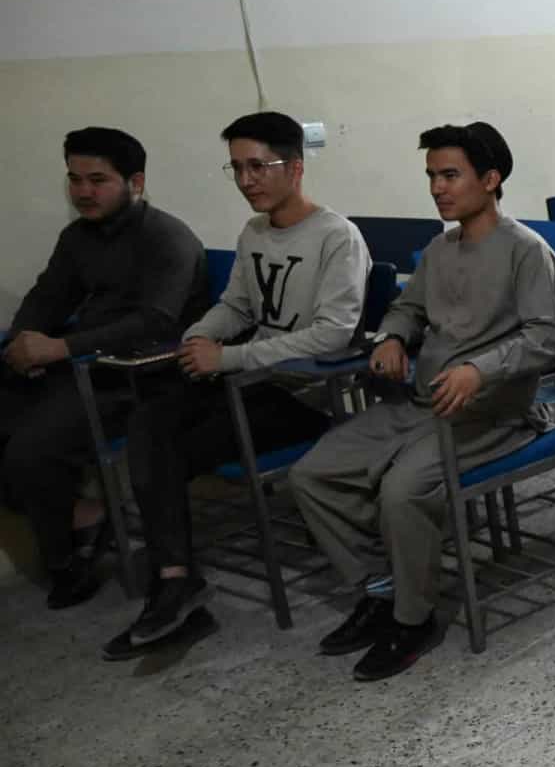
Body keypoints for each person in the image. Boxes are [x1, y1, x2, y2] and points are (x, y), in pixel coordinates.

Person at [288, 122, 555, 681]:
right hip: (421, 405)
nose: (437, 188)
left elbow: (542, 338)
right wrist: (391, 336)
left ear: (490, 180)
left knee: (402, 489)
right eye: (433, 176)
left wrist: (477, 369)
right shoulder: (441, 248)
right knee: (312, 473)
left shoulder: (526, 251)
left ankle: (413, 620)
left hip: (491, 413)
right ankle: (381, 587)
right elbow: (408, 310)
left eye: (450, 175)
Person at [104, 112, 372, 656]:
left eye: (258, 166)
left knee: (166, 446)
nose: (247, 180)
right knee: (149, 419)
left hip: (299, 392)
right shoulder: (253, 233)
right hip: (251, 381)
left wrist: (229, 357)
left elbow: (333, 334)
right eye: (237, 168)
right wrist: (198, 338)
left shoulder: (336, 236)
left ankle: (175, 580)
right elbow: (237, 305)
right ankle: (177, 578)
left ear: (294, 168)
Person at [0, 127, 207, 609]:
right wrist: (23, 343)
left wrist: (59, 348)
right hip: (79, 364)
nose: (84, 192)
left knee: (30, 451)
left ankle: (65, 561)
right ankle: (83, 515)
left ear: (134, 181)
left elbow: (155, 323)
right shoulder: (79, 237)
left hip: (137, 376)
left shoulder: (166, 237)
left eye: (98, 180)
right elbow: (48, 296)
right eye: (75, 180)